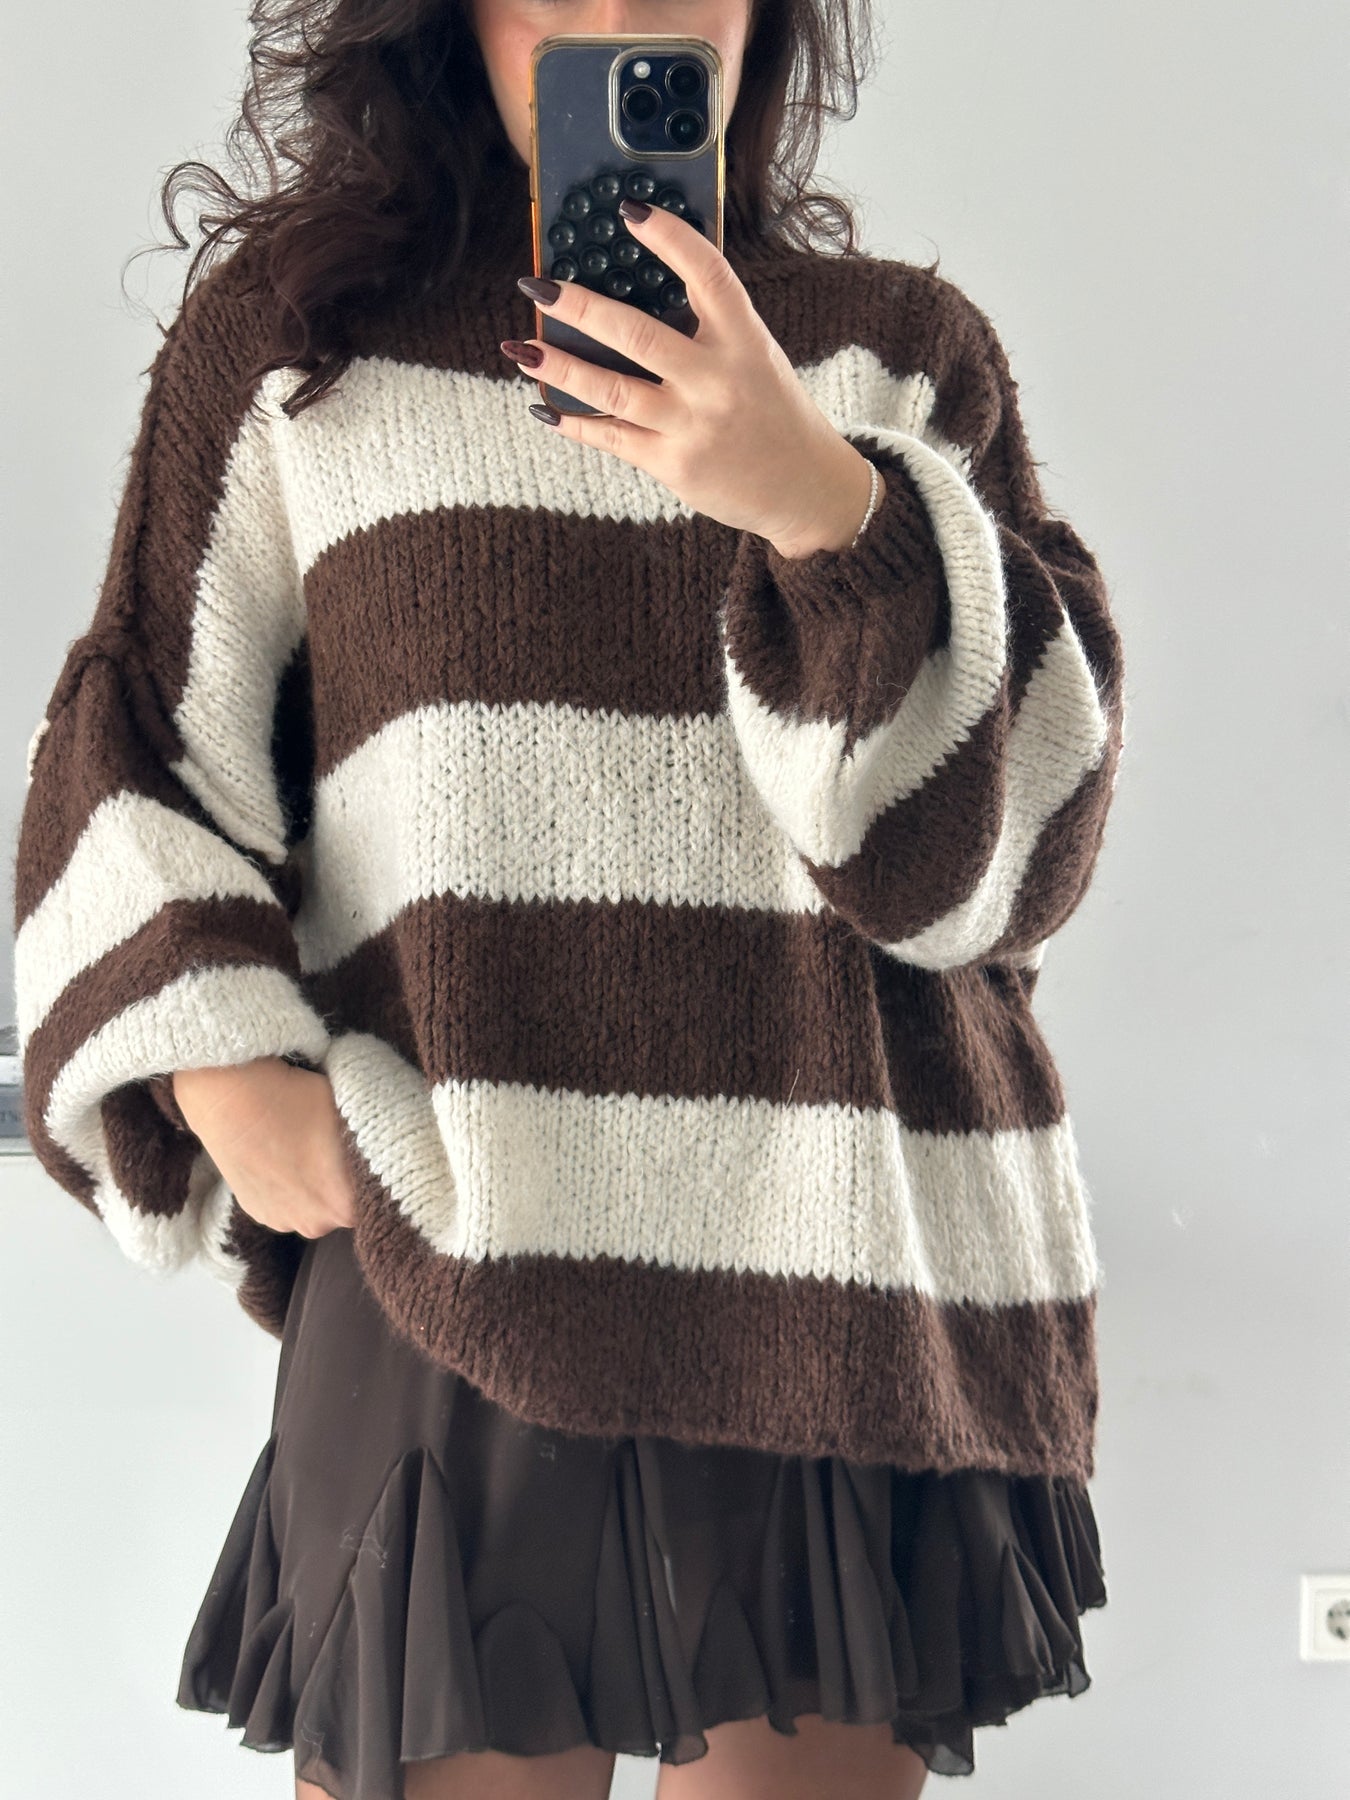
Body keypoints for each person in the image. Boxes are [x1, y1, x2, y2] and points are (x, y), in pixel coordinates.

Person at [12, 0, 1126, 1796]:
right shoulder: (302, 352)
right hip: (457, 1237)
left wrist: (825, 508)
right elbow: (142, 740)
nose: (615, 19)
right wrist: (219, 1078)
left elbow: (998, 874)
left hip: (840, 1256)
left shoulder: (897, 357)